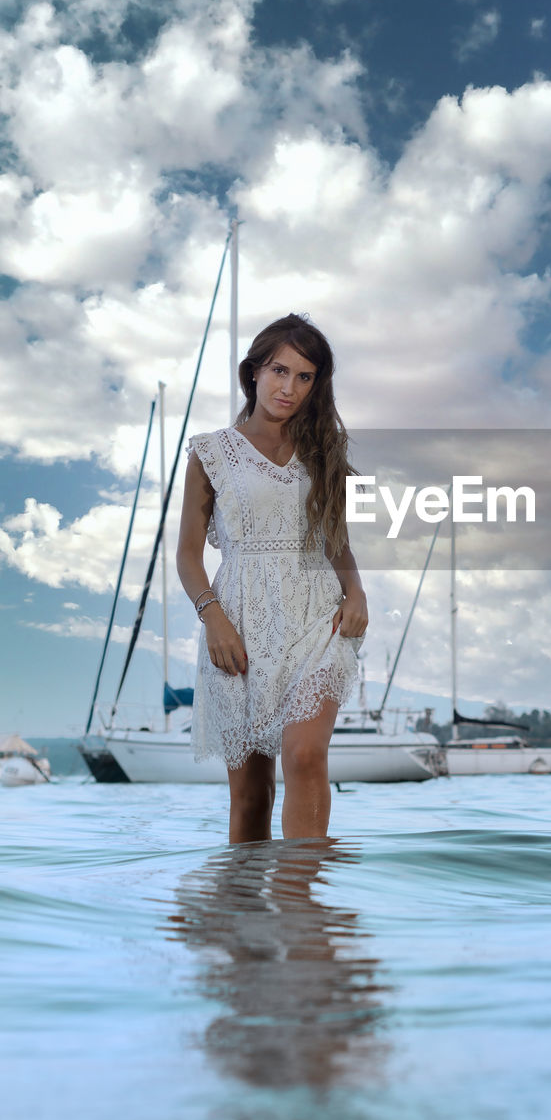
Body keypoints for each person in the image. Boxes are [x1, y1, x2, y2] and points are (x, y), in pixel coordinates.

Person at [176, 314, 368, 843]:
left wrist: (356, 591)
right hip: (238, 621)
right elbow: (188, 556)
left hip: (315, 615)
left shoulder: (323, 451)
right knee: (251, 795)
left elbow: (337, 542)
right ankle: (244, 918)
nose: (289, 387)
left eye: (305, 376)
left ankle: (304, 912)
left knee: (305, 755)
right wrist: (213, 618)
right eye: (280, 370)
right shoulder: (211, 451)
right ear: (254, 372)